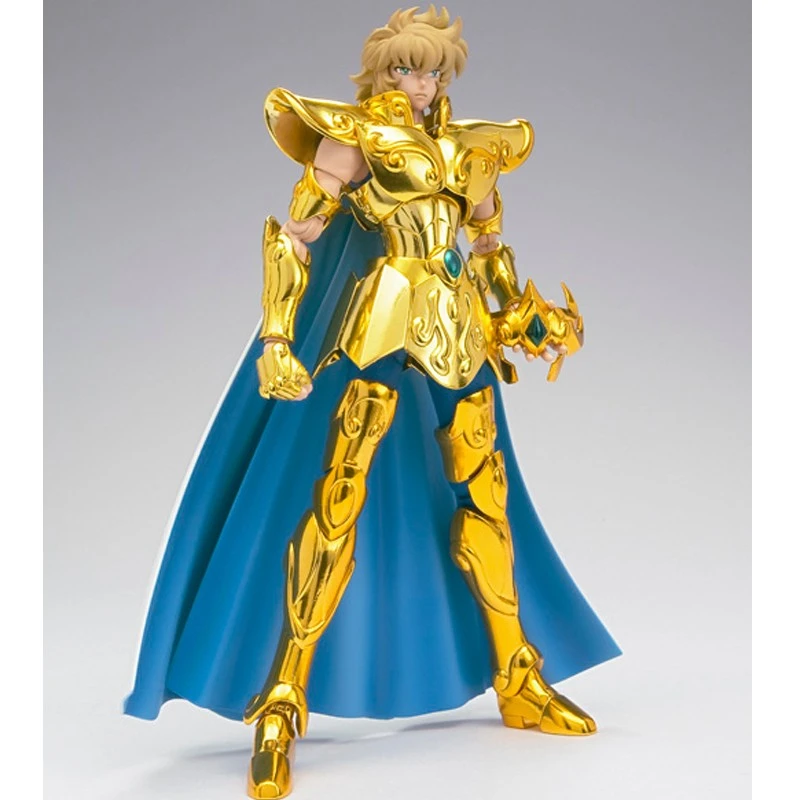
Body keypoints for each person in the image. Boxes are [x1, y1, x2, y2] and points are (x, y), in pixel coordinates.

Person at [124, 6, 621, 799]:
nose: (421, 83)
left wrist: (523, 316)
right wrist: (278, 338)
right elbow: (295, 237)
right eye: (406, 68)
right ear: (382, 71)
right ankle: (282, 697)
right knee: (338, 496)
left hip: (456, 327)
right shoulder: (354, 139)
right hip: (381, 320)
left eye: (433, 70)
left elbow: (486, 249)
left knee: (485, 496)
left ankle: (517, 675)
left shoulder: (473, 149)